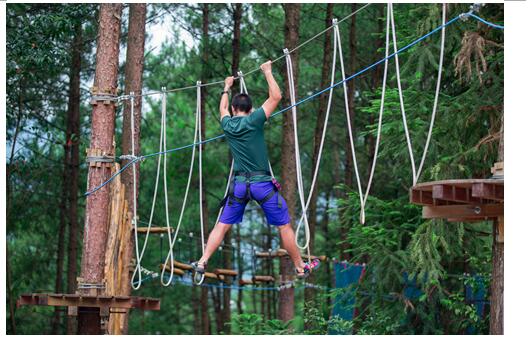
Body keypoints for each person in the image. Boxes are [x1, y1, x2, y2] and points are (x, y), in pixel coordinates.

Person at [191, 61, 319, 282]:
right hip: (262, 185)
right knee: (284, 227)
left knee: (222, 225)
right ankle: (299, 267)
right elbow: (276, 97)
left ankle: (202, 261)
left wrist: (226, 86)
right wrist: (268, 72)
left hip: (240, 185)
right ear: (250, 109)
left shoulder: (228, 124)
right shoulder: (255, 119)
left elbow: (222, 109)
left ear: (234, 110)